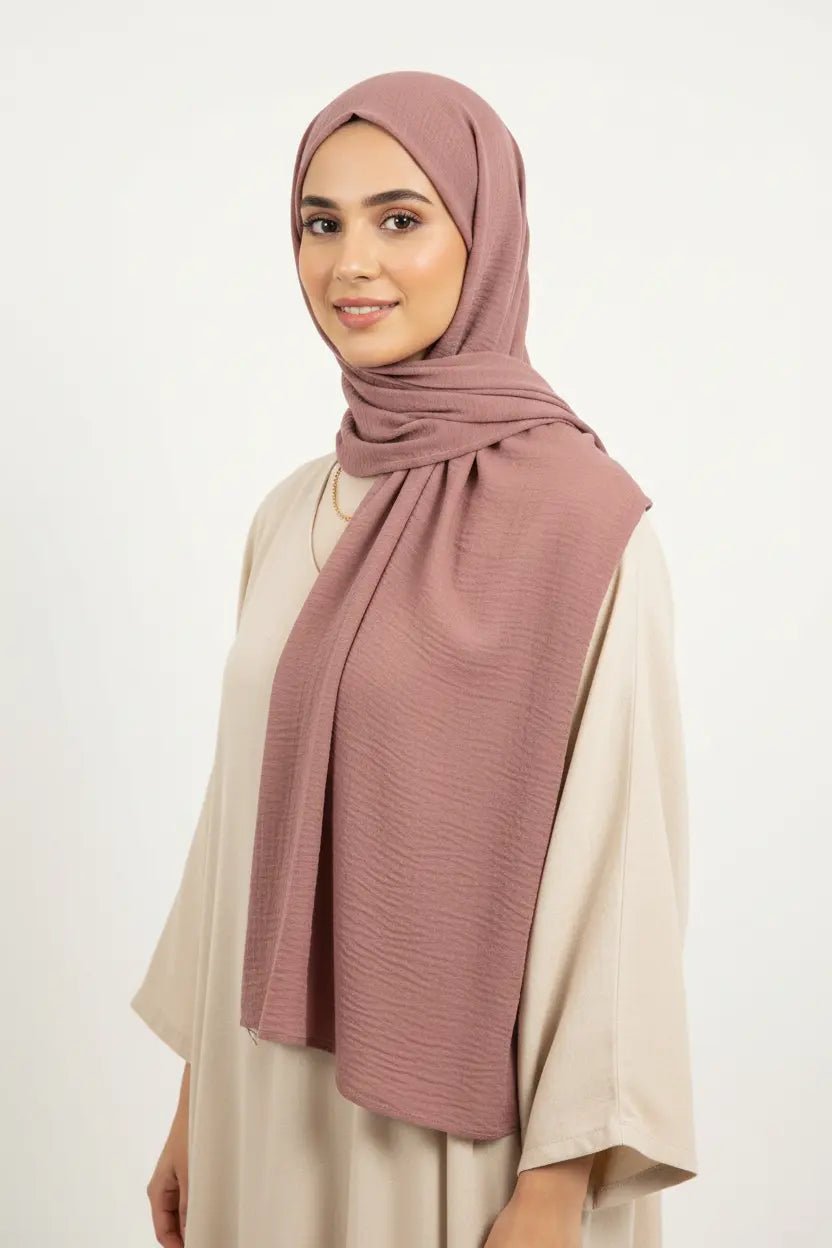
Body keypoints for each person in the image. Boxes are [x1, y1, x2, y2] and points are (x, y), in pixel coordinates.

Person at [131, 71, 698, 1248]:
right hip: (262, 1102)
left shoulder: (584, 525)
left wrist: (555, 1188)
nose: (351, 265)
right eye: (319, 223)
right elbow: (242, 827)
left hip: (463, 1142)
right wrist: (195, 1105)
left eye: (399, 219)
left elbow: (617, 873)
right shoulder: (293, 512)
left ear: (484, 235)